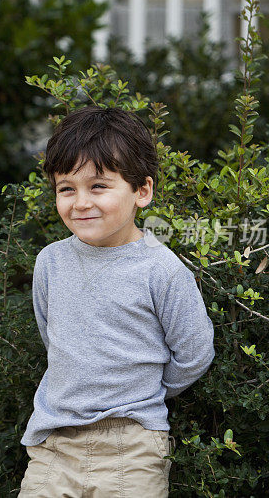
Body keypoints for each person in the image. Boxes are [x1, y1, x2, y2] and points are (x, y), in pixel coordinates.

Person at [18, 106, 215, 497]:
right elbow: (52, 337)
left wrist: (141, 389)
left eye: (98, 186)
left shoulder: (162, 270)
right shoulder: (50, 262)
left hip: (133, 446)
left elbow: (194, 353)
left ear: (142, 191)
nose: (80, 203)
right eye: (66, 188)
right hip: (53, 445)